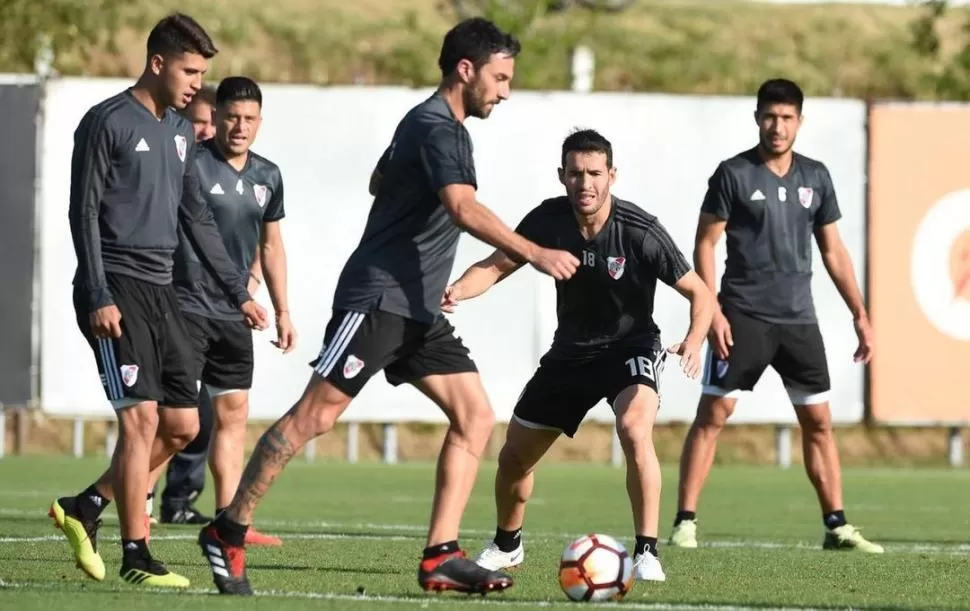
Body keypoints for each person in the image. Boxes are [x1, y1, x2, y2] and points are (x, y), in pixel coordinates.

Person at [197, 16, 579, 596]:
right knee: (315, 418)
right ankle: (228, 529)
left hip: (418, 309)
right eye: (500, 78)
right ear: (466, 70)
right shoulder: (441, 129)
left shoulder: (421, 123)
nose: (505, 91)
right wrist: (535, 252)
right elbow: (461, 207)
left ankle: (440, 556)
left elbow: (380, 180)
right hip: (378, 300)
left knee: (475, 416)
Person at [48, 13, 268, 589]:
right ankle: (136, 552)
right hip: (114, 286)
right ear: (158, 63)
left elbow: (194, 215)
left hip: (163, 292)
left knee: (182, 425)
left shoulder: (177, 132)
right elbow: (84, 212)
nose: (198, 83)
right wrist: (97, 291)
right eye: (191, 70)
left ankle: (86, 505)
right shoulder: (106, 122)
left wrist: (235, 291)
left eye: (202, 72)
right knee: (142, 418)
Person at [446, 129, 712, 583]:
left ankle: (646, 551)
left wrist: (694, 337)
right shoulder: (548, 222)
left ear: (612, 175)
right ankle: (508, 545)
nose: (584, 183)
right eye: (574, 173)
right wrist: (454, 291)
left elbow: (699, 292)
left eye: (593, 173)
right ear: (562, 176)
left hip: (631, 348)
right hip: (570, 355)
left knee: (633, 428)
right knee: (513, 458)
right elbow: (494, 267)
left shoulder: (639, 230)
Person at [668, 78, 883, 554]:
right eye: (769, 116)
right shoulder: (734, 174)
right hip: (742, 315)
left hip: (798, 320)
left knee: (819, 422)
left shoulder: (816, 176)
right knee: (713, 415)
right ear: (757, 118)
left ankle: (837, 525)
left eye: (787, 118)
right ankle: (685, 522)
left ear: (800, 122)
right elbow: (705, 242)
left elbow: (834, 251)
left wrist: (860, 313)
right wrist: (713, 312)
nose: (777, 126)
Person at [171, 75, 294, 545]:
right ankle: (137, 509)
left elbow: (272, 245)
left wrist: (282, 310)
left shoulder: (268, 175)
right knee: (175, 422)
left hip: (234, 312)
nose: (239, 127)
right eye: (231, 118)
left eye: (249, 119)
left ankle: (228, 519)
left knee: (234, 413)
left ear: (260, 122)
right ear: (216, 118)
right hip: (184, 304)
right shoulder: (191, 165)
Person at [156, 82, 219, 526]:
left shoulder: (231, 173)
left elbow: (251, 235)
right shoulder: (168, 163)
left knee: (203, 415)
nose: (206, 130)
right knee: (167, 411)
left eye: (210, 123)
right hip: (167, 298)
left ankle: (178, 500)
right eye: (199, 121)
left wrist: (243, 283)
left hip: (211, 305)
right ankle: (135, 496)